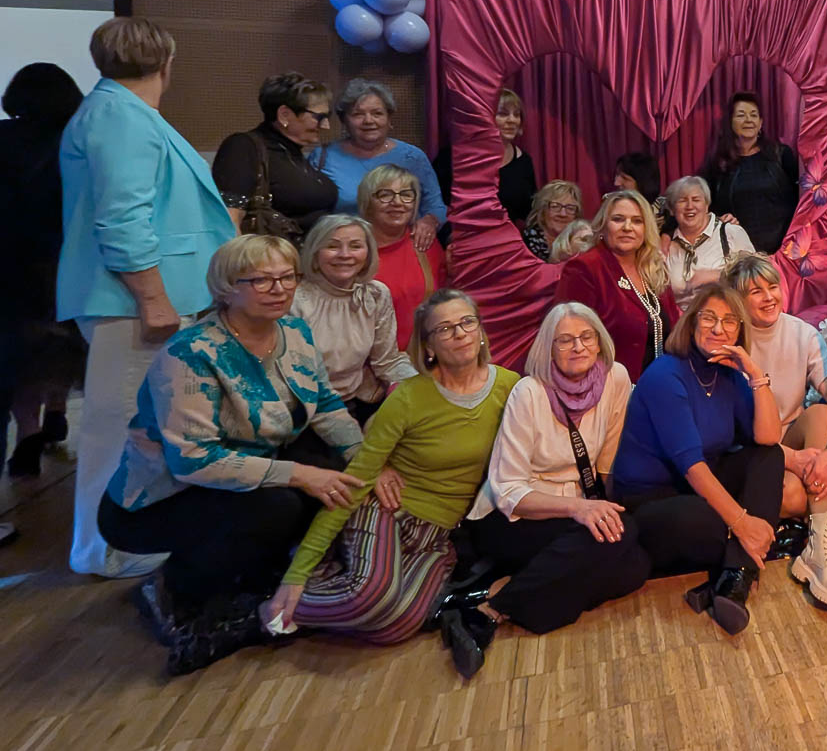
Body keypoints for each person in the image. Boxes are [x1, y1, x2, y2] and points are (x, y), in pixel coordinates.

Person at [98, 235, 364, 674]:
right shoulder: (190, 353)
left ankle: (257, 576)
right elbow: (193, 460)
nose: (279, 289)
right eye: (261, 280)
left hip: (245, 470)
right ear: (225, 288)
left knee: (333, 469)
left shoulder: (295, 332)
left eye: (287, 277)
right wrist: (298, 474)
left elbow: (325, 405)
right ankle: (176, 588)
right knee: (279, 504)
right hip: (157, 501)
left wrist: (366, 460)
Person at [58, 17, 237, 578]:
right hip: (129, 301)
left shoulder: (125, 112)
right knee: (116, 428)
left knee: (145, 427)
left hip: (143, 297)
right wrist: (154, 298)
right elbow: (122, 220)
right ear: (167, 62)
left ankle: (125, 537)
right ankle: (100, 547)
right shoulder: (120, 117)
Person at [262, 290, 518, 670]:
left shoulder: (511, 387)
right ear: (428, 347)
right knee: (370, 600)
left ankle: (321, 589)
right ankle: (266, 605)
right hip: (388, 510)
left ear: (480, 330)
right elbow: (357, 481)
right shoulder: (408, 398)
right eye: (444, 328)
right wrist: (297, 575)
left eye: (467, 322)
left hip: (437, 535)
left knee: (400, 625)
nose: (460, 333)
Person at [452, 303, 649, 667]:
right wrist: (580, 509)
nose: (578, 346)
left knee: (635, 566)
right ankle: (490, 611)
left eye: (586, 336)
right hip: (511, 516)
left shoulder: (615, 377)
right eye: (565, 340)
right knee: (616, 541)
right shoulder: (529, 392)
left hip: (575, 505)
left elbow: (607, 458)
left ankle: (508, 592)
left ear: (600, 341)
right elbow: (508, 490)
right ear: (548, 348)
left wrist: (607, 507)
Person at [611, 283, 784, 635]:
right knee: (709, 520)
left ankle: (732, 579)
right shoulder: (666, 375)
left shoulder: (728, 373)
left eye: (729, 320)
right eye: (708, 318)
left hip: (698, 485)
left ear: (739, 330)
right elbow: (691, 466)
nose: (718, 328)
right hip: (651, 499)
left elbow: (768, 438)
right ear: (691, 323)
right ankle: (737, 572)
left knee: (770, 457)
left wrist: (754, 374)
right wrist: (743, 523)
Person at [721, 252, 827, 611]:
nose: (769, 297)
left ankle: (822, 550)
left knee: (823, 412)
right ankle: (814, 532)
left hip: (793, 439)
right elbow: (733, 433)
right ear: (737, 300)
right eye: (755, 292)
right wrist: (794, 460)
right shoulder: (731, 343)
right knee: (794, 497)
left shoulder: (802, 332)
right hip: (750, 452)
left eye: (773, 287)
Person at [1, 63, 85, 483]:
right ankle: (57, 411)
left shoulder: (3, 136)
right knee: (60, 351)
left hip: (10, 264)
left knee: (16, 359)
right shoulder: (76, 143)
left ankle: (28, 435)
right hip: (63, 263)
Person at [291, 214, 417, 426]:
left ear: (368, 253)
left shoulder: (376, 294)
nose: (345, 255)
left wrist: (422, 389)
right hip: (305, 408)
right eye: (332, 246)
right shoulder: (295, 299)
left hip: (356, 402)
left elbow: (387, 361)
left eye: (355, 246)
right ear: (315, 252)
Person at [554, 189, 680, 380]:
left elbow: (675, 326)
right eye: (618, 219)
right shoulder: (585, 268)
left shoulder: (655, 268)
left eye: (637, 221)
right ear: (603, 226)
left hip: (659, 384)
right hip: (606, 385)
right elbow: (569, 336)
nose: (627, 227)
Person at [317, 79, 446, 250]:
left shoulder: (413, 157)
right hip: (344, 251)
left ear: (389, 118)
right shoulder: (323, 157)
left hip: (402, 248)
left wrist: (429, 221)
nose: (368, 120)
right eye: (358, 114)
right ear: (344, 120)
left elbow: (436, 206)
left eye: (377, 113)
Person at [211, 72, 338, 240]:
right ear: (284, 114)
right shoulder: (243, 147)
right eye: (319, 117)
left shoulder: (294, 154)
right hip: (269, 254)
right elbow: (228, 219)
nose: (326, 125)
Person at [358, 165, 446, 353]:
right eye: (385, 195)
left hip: (422, 359)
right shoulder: (353, 250)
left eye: (406, 195)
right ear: (367, 202)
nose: (397, 202)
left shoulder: (425, 244)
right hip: (366, 362)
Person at [699, 92, 800, 254]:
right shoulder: (718, 162)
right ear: (730, 122)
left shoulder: (780, 155)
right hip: (738, 254)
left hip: (784, 252)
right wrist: (718, 219)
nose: (748, 120)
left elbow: (803, 196)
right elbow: (701, 201)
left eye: (754, 115)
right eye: (741, 115)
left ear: (761, 123)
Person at [434, 87, 539, 230]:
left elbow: (530, 213)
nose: (512, 120)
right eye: (503, 114)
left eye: (517, 114)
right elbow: (434, 205)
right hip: (461, 236)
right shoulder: (452, 157)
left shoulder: (524, 161)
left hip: (506, 238)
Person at [662, 175, 755, 306]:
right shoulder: (665, 246)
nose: (690, 206)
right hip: (681, 318)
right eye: (682, 200)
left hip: (727, 315)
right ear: (672, 210)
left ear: (706, 205)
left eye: (696, 199)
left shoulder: (730, 234)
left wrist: (719, 276)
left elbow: (756, 276)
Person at [523, 181, 583, 262]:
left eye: (570, 208)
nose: (563, 214)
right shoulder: (524, 244)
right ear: (542, 211)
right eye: (555, 206)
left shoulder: (582, 241)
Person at [614, 151, 668, 231]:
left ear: (644, 183)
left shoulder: (665, 208)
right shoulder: (611, 203)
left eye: (625, 178)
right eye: (617, 175)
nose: (616, 183)